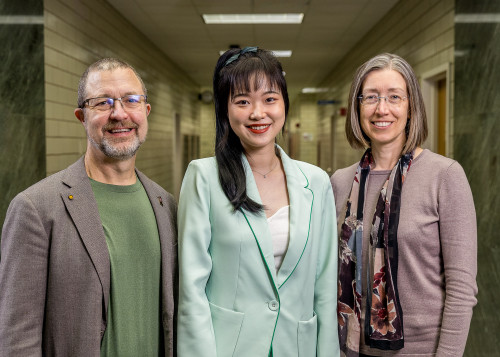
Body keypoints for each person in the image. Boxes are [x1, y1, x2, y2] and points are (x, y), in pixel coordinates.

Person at [0, 58, 177, 356]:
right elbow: (17, 336)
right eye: (103, 103)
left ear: (145, 112)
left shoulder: (165, 204)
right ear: (82, 116)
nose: (119, 113)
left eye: (130, 100)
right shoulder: (36, 208)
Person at [177, 47, 339, 356]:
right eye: (242, 101)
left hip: (298, 347)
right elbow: (191, 291)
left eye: (269, 99)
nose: (257, 113)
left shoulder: (316, 183)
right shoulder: (204, 178)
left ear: (284, 106)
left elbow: (324, 286)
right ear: (225, 110)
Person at [332, 53, 477, 356]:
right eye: (370, 97)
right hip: (348, 349)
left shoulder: (445, 176)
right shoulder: (341, 182)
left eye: (394, 97)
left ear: (411, 108)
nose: (381, 108)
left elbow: (462, 290)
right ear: (357, 107)